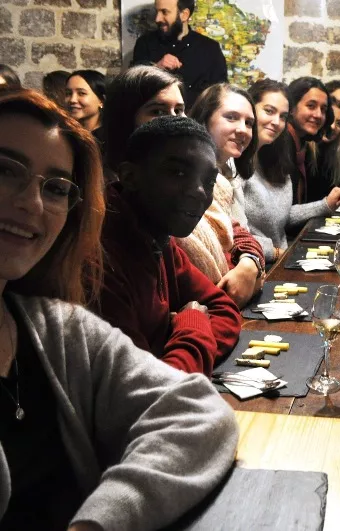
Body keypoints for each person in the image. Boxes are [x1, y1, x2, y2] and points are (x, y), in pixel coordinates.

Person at [0, 89, 237, 530]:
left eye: (54, 187)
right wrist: (192, 326)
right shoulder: (103, 260)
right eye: (5, 169)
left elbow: (201, 410)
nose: (31, 203)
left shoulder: (56, 327)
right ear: (127, 177)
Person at [92, 115, 241, 376]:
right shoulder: (98, 262)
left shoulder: (158, 236)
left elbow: (225, 310)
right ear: (129, 176)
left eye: (208, 181)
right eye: (178, 172)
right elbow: (152, 392)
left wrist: (178, 351)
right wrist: (193, 322)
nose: (198, 191)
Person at [240, 79, 340, 262]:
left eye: (282, 116)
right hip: (263, 264)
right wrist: (276, 253)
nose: (276, 122)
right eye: (269, 111)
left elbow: (282, 216)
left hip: (281, 261)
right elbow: (232, 236)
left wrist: (325, 204)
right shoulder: (235, 163)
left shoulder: (277, 157)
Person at [186, 83, 265, 307]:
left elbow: (240, 234)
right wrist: (252, 266)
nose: (243, 129)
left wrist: (250, 263)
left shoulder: (228, 173)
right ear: (204, 120)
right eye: (231, 117)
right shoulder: (191, 180)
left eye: (249, 123)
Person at [131, 0, 227, 108]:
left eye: (164, 12)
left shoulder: (210, 49)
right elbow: (132, 89)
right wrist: (156, 67)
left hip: (197, 123)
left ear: (184, 15)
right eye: (157, 11)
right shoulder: (145, 43)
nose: (157, 19)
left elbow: (221, 95)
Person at [103, 65, 185, 176]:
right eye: (158, 112)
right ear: (125, 119)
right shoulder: (101, 186)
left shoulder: (199, 175)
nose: (175, 119)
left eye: (178, 110)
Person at [285, 77, 333, 205]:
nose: (318, 115)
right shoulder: (282, 144)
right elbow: (281, 215)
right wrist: (325, 205)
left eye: (323, 109)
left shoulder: (301, 143)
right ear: (291, 107)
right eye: (311, 106)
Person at [65, 70, 105, 136]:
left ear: (101, 100)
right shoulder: (65, 136)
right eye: (68, 93)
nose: (72, 100)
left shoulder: (109, 139)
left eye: (81, 93)